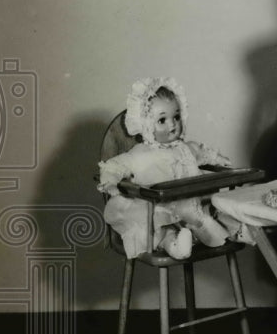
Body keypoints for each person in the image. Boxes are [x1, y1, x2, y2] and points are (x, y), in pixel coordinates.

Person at [98, 77, 232, 259]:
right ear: (146, 125)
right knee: (163, 229)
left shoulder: (185, 148)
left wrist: (217, 158)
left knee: (209, 217)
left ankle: (229, 232)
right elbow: (116, 165)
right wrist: (110, 180)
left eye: (176, 117)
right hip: (161, 208)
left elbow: (202, 152)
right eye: (162, 120)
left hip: (191, 206)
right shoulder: (141, 154)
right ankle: (176, 246)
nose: (172, 124)